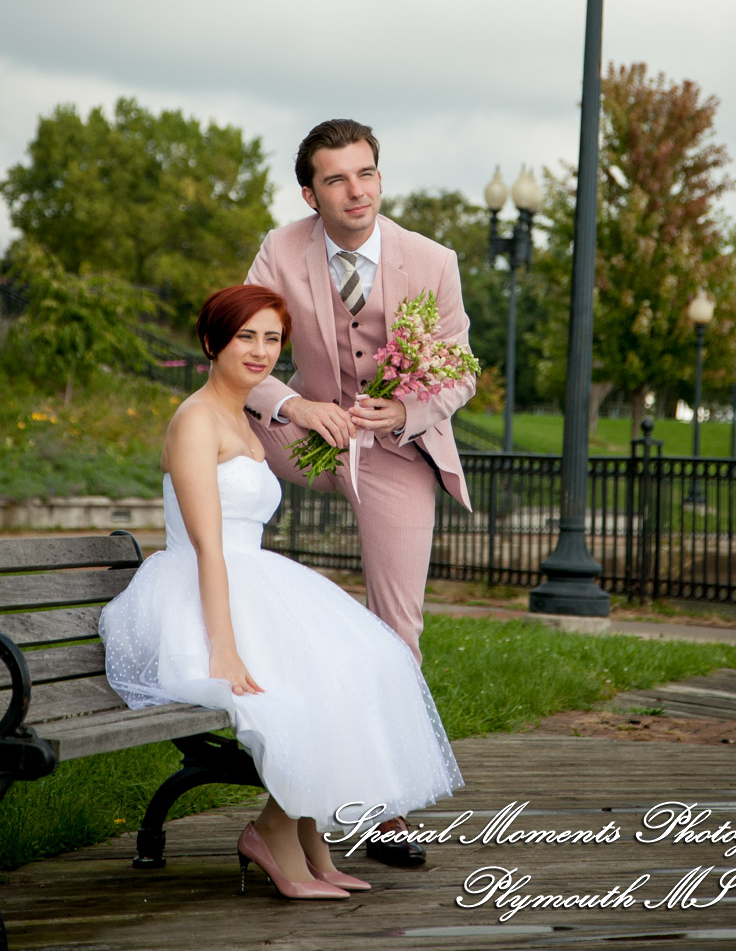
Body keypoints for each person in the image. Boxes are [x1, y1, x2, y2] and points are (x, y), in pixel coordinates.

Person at [99, 284, 462, 902]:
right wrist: (224, 648)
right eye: (246, 336)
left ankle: (310, 842)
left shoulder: (244, 420)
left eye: (272, 339)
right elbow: (208, 547)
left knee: (364, 662)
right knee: (297, 690)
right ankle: (273, 833)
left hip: (252, 578)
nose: (261, 351)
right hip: (198, 590)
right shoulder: (193, 421)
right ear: (213, 342)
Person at [245, 118, 476, 867]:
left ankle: (386, 805)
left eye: (366, 173)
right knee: (222, 440)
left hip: (393, 448)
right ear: (309, 193)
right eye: (337, 179)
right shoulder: (280, 250)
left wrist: (408, 411)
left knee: (396, 629)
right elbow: (235, 346)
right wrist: (290, 406)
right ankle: (213, 598)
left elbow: (459, 368)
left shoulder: (432, 260)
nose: (357, 191)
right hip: (303, 435)